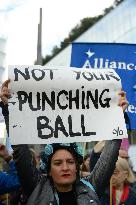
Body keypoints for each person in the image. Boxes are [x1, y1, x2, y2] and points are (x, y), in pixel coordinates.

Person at [0, 80, 128, 205]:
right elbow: (21, 154)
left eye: (70, 162)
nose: (65, 168)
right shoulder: (37, 187)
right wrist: (8, 110)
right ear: (49, 170)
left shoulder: (90, 187)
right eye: (58, 163)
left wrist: (117, 118)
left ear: (77, 166)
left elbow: (108, 159)